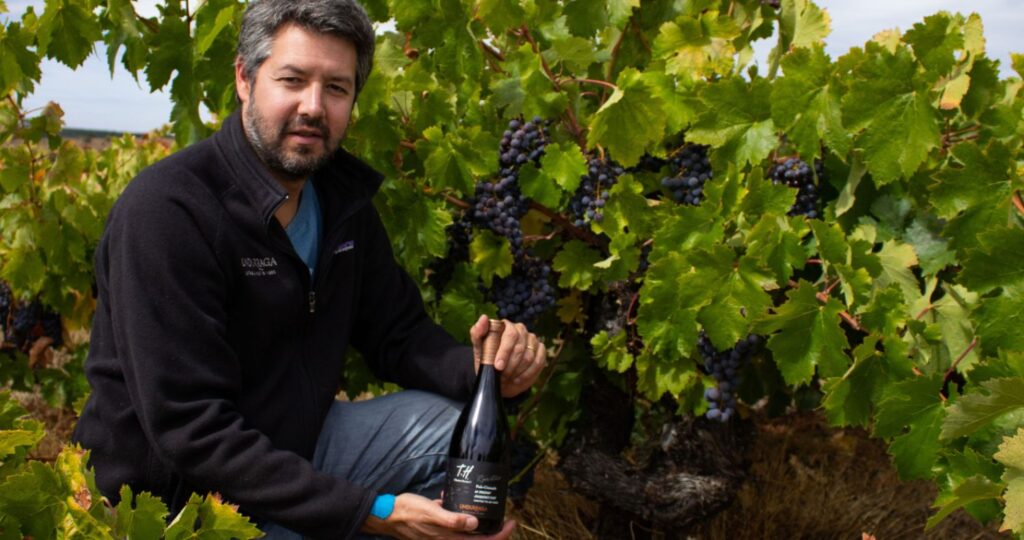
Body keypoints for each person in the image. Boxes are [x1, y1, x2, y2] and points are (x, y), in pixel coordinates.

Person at [70, 1, 547, 538]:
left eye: (337, 88)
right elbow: (190, 429)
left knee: (459, 435)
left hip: (294, 446)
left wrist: (490, 371)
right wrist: (371, 511)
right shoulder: (169, 212)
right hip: (181, 505)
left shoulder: (340, 205)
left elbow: (399, 334)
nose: (314, 107)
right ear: (245, 79)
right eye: (292, 80)